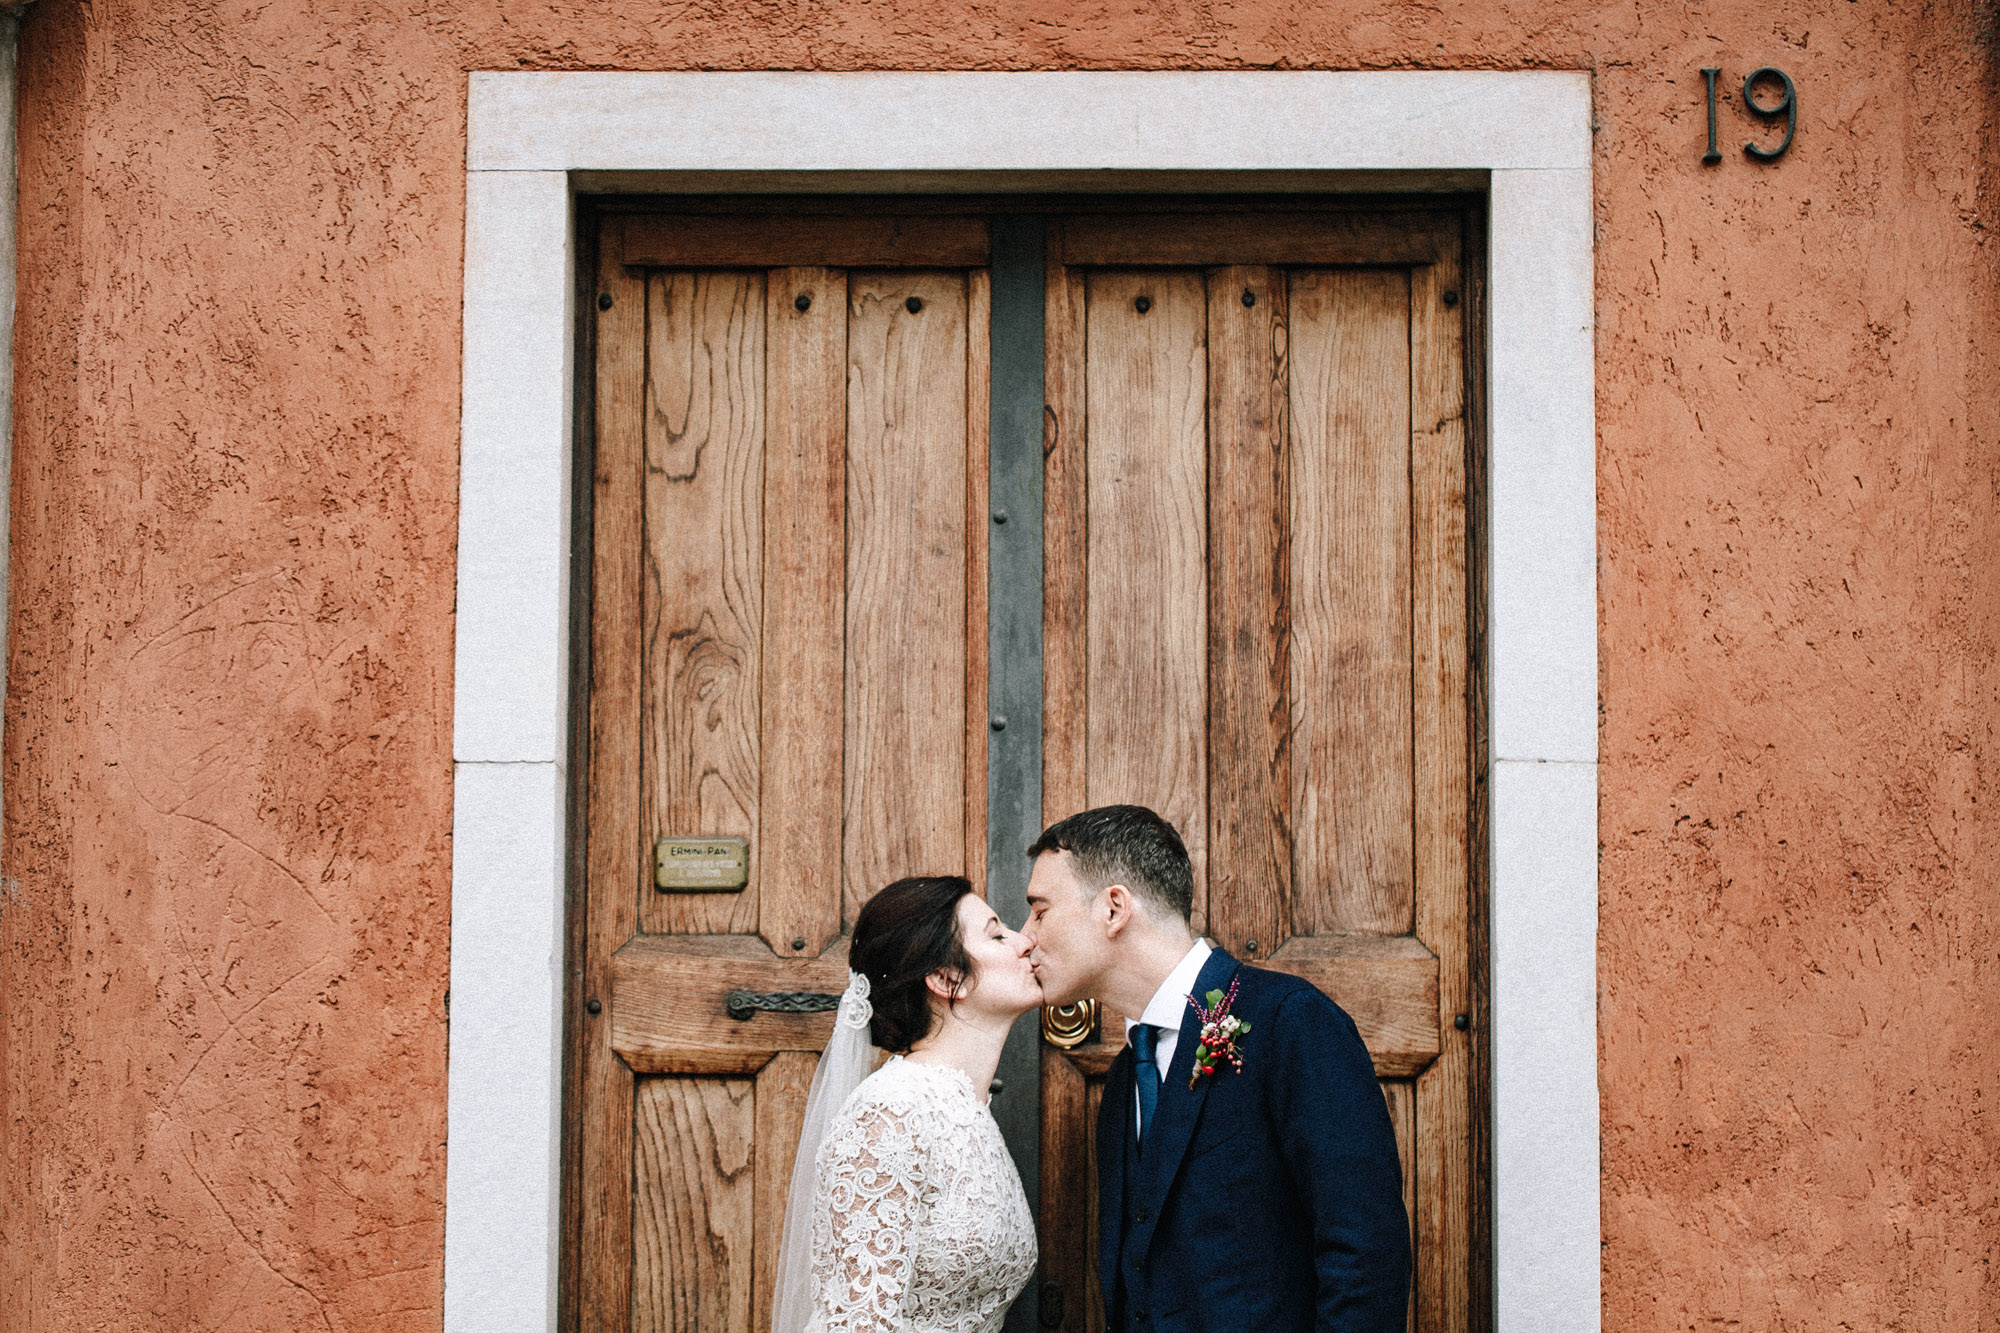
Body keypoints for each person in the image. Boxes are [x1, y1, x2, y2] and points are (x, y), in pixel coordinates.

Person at [1023, 805, 1410, 1333]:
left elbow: (1366, 1253)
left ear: (1114, 909)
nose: (1026, 937)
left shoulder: (1290, 1023)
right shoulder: (1121, 1082)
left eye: (1040, 911)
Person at [771, 875, 1042, 1333]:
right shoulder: (890, 1113)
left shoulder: (968, 1109)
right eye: (997, 934)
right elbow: (861, 1323)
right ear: (945, 977)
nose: (1024, 942)